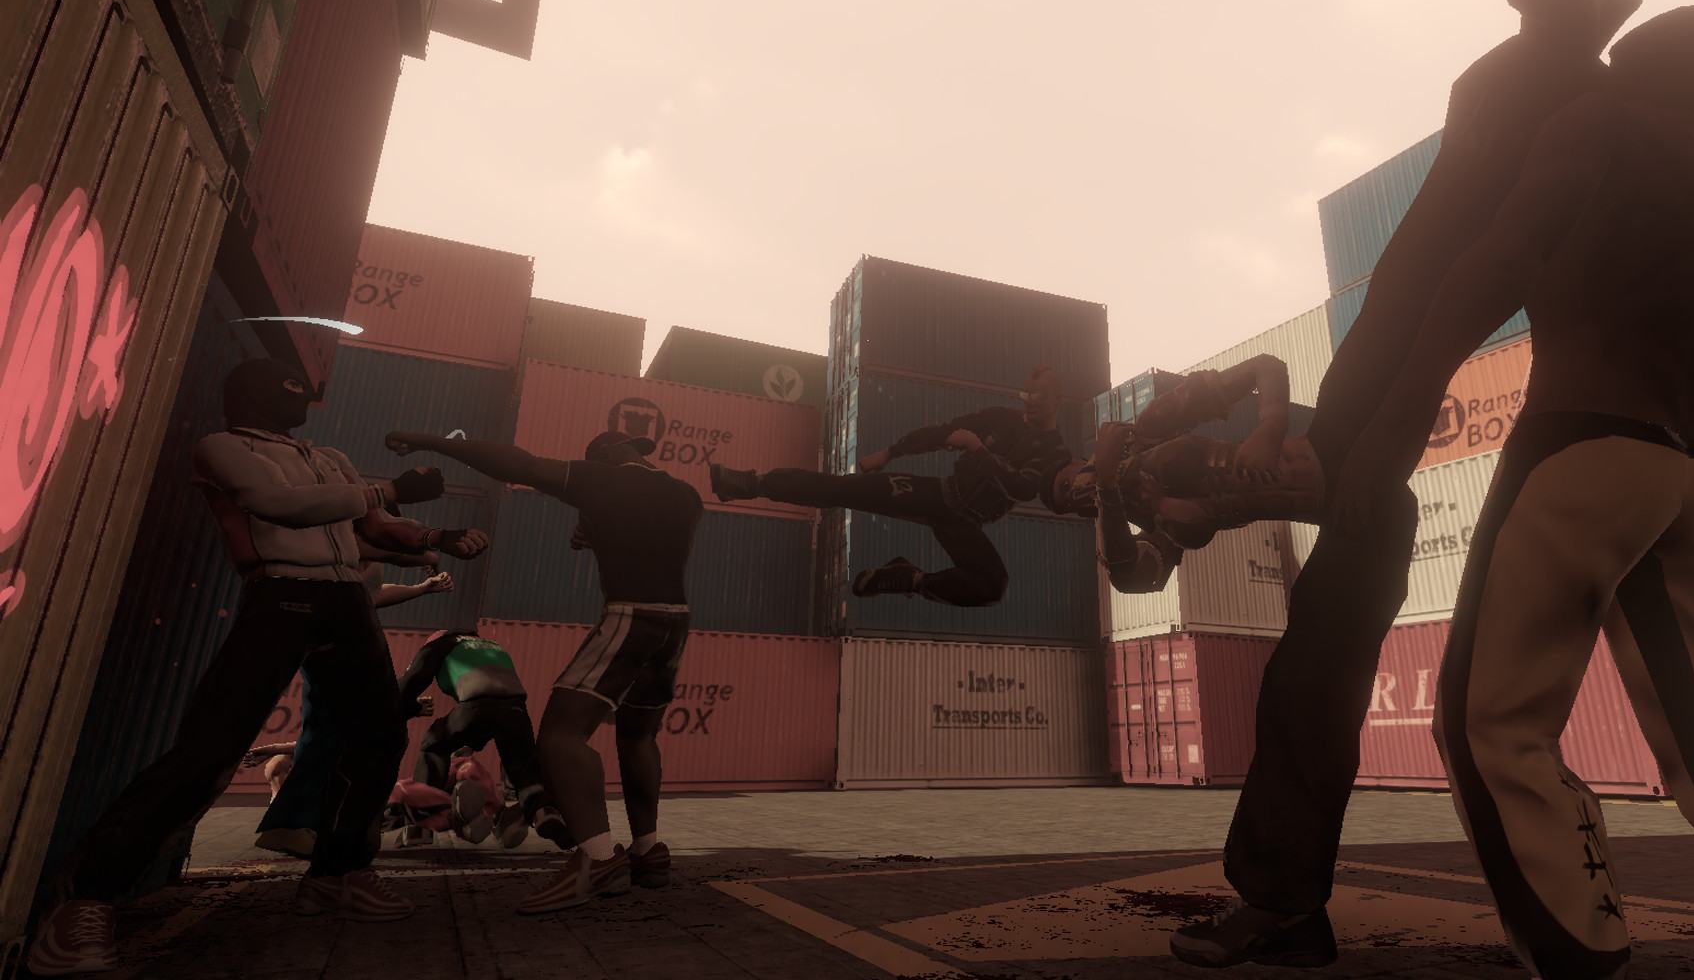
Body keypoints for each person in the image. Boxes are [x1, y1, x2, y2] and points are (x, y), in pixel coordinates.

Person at [1335, 5, 1694, 979]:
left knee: (1496, 729)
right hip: (1691, 473)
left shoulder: (1600, 127)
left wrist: (1398, 418)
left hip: (1580, 453)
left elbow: (1500, 259)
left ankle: (1580, 958)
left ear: (1645, 61)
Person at [1171, 0, 1645, 969]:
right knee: (1321, 688)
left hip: (1367, 452)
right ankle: (1289, 904)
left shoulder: (1537, 96)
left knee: (1315, 690)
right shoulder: (1564, 101)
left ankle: (1285, 907)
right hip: (1365, 447)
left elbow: (1454, 297)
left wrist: (1338, 451)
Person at [30, 359, 489, 977]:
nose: (305, 399)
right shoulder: (222, 448)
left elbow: (375, 530)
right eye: (292, 388)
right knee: (211, 748)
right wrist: (389, 491)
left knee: (379, 741)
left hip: (347, 602)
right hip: (280, 595)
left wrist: (437, 536)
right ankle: (84, 899)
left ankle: (336, 875)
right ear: (257, 393)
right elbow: (277, 506)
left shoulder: (328, 459)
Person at [381, 427, 701, 914]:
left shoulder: (606, 479)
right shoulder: (685, 495)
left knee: (559, 737)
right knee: (638, 736)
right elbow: (644, 539)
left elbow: (520, 463)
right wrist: (597, 528)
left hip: (631, 617)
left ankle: (598, 860)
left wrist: (434, 442)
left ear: (603, 456)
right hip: (674, 623)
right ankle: (647, 850)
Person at [709, 365, 1072, 606]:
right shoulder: (1000, 418)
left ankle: (909, 579)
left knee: (993, 586)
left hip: (965, 522)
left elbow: (1022, 487)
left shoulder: (1053, 450)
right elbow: (942, 432)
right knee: (843, 489)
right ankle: (749, 483)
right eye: (1025, 395)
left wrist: (978, 450)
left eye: (1038, 397)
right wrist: (890, 452)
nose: (1028, 404)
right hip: (938, 494)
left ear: (1058, 399)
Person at [252, 534, 458, 859]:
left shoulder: (360, 563)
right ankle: (300, 826)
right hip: (336, 632)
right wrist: (423, 550)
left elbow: (372, 595)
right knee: (358, 735)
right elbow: (372, 551)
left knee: (339, 730)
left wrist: (421, 588)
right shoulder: (350, 534)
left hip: (335, 630)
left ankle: (305, 826)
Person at [1037, 355, 1318, 591]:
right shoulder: (1147, 517)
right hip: (1321, 507)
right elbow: (1132, 577)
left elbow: (1265, 366)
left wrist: (1271, 426)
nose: (1075, 494)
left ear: (1076, 461)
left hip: (1319, 451)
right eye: (1069, 502)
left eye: (1065, 484)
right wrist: (1108, 490)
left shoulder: (1149, 429)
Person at [393, 627, 571, 848]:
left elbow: (409, 684)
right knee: (523, 766)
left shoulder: (440, 645)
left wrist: (410, 708)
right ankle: (542, 811)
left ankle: (420, 826)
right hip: (516, 709)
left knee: (433, 745)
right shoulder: (492, 646)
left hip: (475, 705)